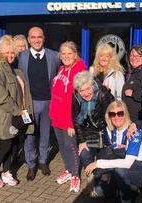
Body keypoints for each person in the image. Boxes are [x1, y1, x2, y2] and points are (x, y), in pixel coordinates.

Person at [0, 35, 34, 188]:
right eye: (7, 53)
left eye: (12, 52)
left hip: (14, 115)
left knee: (12, 143)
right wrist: (17, 110)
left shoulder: (13, 70)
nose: (10, 55)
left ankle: (6, 172)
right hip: (4, 115)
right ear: (0, 52)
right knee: (5, 143)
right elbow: (1, 96)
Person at [85, 100, 142, 202]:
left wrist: (98, 164)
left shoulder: (134, 132)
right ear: (109, 117)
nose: (116, 117)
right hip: (121, 164)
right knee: (100, 191)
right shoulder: (111, 131)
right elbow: (108, 152)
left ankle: (128, 197)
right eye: (112, 114)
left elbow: (127, 163)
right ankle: (121, 189)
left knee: (120, 171)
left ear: (125, 114)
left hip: (141, 164)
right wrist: (104, 172)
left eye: (120, 113)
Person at [18, 26, 60, 181]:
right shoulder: (21, 57)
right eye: (33, 37)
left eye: (39, 37)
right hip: (30, 103)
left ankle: (42, 161)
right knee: (29, 135)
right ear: (29, 39)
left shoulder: (54, 56)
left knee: (45, 135)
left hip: (48, 102)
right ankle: (31, 164)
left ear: (44, 38)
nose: (36, 40)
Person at [49, 41, 85, 192]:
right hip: (57, 117)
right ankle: (69, 170)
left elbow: (77, 101)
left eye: (69, 53)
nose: (66, 56)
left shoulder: (79, 70)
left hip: (69, 119)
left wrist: (72, 122)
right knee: (62, 147)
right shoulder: (62, 70)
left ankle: (76, 175)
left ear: (75, 55)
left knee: (71, 147)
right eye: (63, 53)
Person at [72, 71, 115, 193]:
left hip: (104, 129)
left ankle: (104, 175)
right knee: (84, 153)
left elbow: (109, 120)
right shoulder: (76, 97)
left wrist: (108, 142)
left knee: (102, 190)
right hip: (89, 130)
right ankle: (92, 177)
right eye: (81, 91)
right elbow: (76, 121)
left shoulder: (102, 94)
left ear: (92, 85)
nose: (85, 94)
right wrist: (81, 141)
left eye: (87, 89)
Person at [122, 45, 142, 130]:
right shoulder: (131, 73)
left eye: (138, 55)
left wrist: (133, 94)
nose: (134, 58)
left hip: (139, 120)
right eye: (131, 55)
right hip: (129, 119)